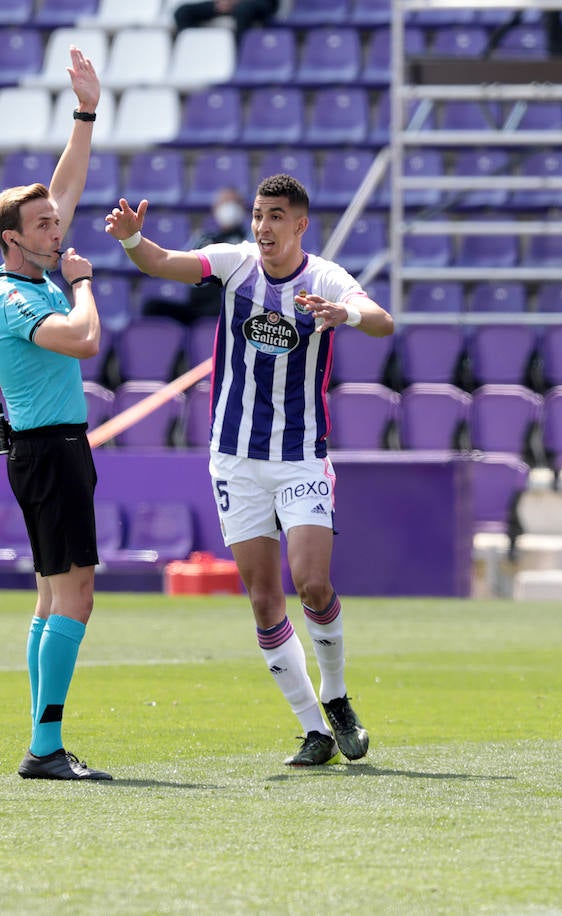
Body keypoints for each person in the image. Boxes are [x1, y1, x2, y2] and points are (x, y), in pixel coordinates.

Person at [105, 174, 393, 767]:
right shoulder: (234, 264)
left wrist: (346, 313)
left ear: (299, 225)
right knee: (265, 600)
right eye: (259, 215)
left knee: (311, 582)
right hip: (234, 459)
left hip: (299, 455)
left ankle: (336, 695)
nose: (263, 226)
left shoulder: (324, 278)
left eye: (275, 216)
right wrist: (135, 241)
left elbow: (381, 318)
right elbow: (164, 263)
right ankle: (314, 728)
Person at [0, 46, 111, 781]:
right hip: (49, 452)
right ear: (14, 240)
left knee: (49, 595)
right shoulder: (18, 296)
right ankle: (45, 746)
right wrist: (84, 282)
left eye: (56, 224)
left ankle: (42, 738)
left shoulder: (25, 270)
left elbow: (68, 182)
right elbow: (85, 340)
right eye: (44, 225)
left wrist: (85, 112)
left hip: (48, 448)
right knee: (75, 595)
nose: (57, 229)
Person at [142, 187, 248, 325]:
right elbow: (178, 261)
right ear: (215, 208)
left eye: (233, 203)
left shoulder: (249, 240)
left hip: (226, 304)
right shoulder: (203, 238)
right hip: (197, 306)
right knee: (152, 307)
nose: (229, 208)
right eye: (224, 203)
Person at [173, 0, 277, 38]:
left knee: (243, 10)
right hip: (228, 4)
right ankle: (194, 51)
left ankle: (242, 57)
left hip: (260, 2)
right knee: (183, 12)